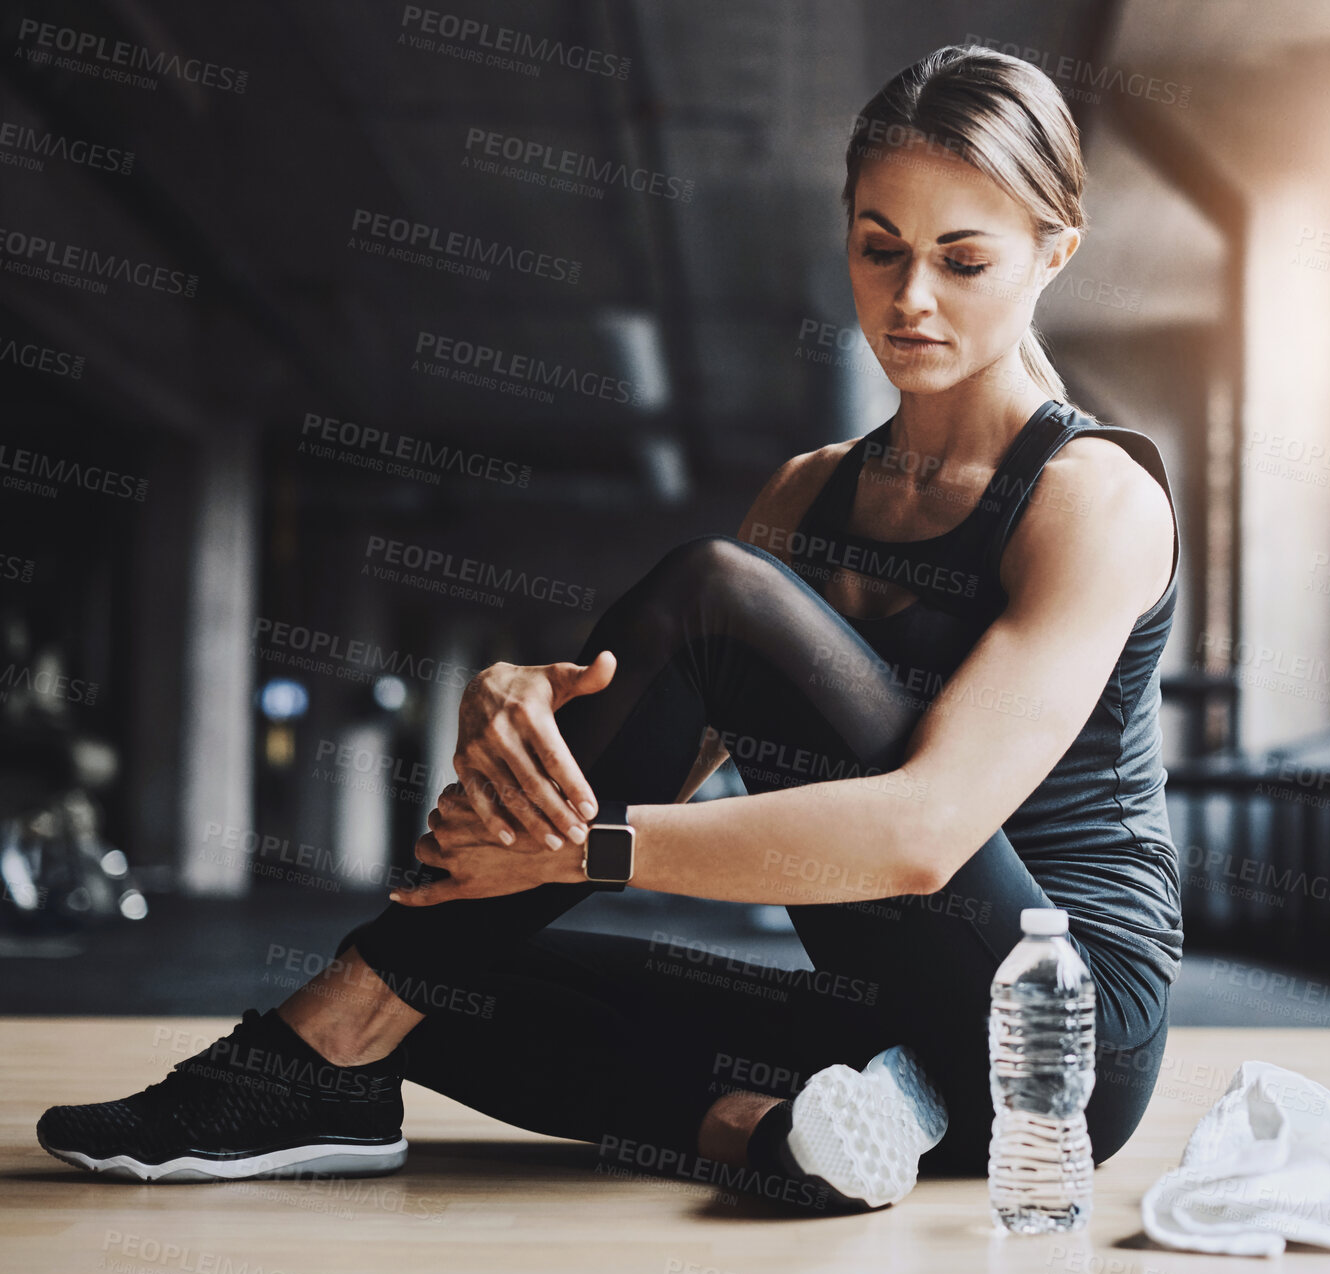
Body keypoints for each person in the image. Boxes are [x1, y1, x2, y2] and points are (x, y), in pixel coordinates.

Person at [37, 44, 1182, 1213]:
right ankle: (775, 1133)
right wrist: (527, 711)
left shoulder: (1092, 499)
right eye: (877, 247)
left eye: (963, 259)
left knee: (707, 595)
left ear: (1054, 250)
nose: (910, 299)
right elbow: (665, 762)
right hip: (886, 1016)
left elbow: (923, 837)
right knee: (455, 980)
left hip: (1057, 1036)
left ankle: (314, 1056)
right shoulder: (809, 495)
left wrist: (585, 850)